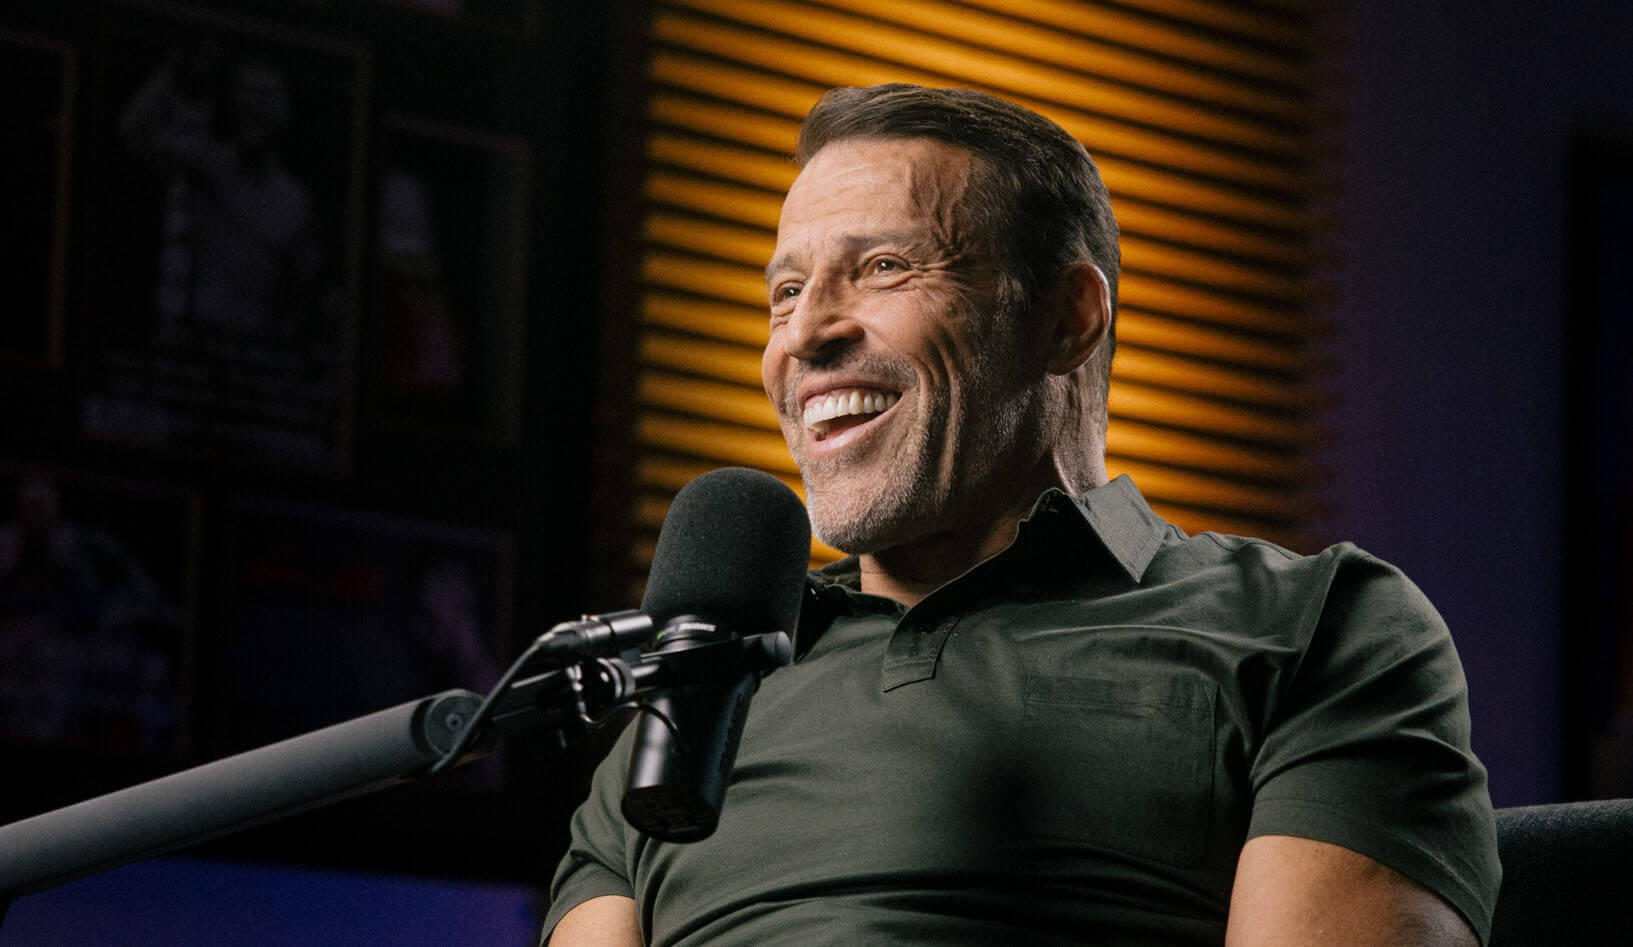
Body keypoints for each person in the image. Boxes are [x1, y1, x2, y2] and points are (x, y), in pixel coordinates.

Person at [544, 84, 1501, 945]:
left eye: (882, 266)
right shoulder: (694, 698)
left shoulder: (1315, 626)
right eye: (784, 291)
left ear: (1067, 319)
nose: (803, 333)